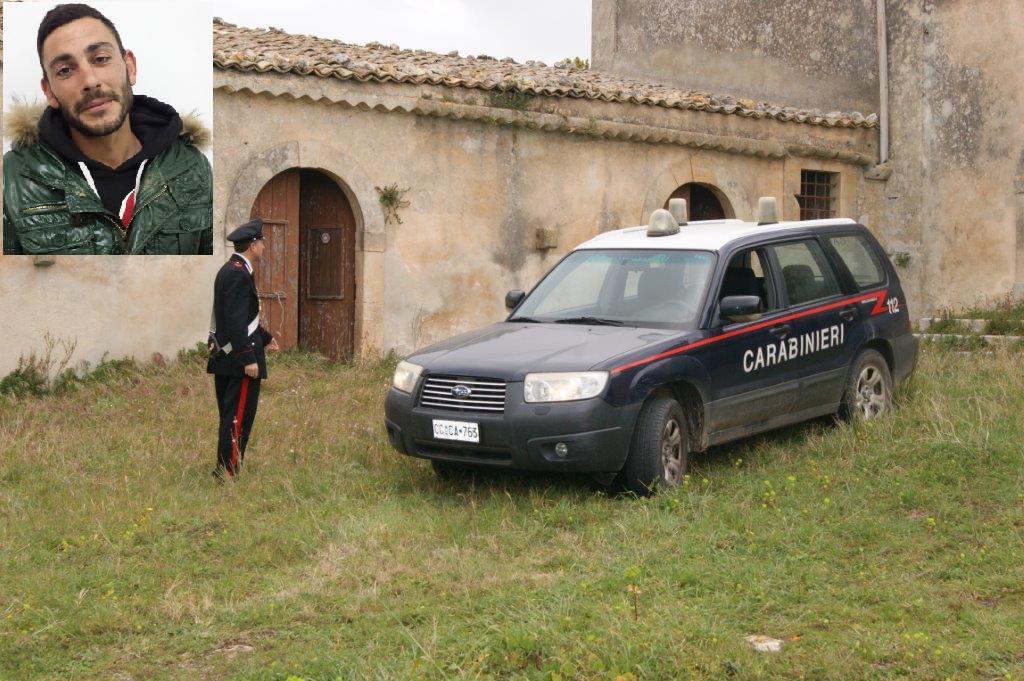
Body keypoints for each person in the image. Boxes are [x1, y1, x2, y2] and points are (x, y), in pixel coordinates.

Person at [2, 3, 212, 255]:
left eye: (101, 59)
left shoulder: (192, 168)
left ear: (130, 67)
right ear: (49, 92)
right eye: (65, 70)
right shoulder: (13, 179)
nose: (90, 81)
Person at [207, 218, 279, 479]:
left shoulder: (230, 269)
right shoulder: (239, 274)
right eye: (261, 242)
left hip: (226, 356)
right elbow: (236, 321)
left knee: (230, 416)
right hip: (238, 362)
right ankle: (228, 471)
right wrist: (248, 358)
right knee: (238, 418)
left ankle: (226, 467)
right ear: (252, 245)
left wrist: (265, 337)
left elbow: (238, 316)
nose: (264, 247)